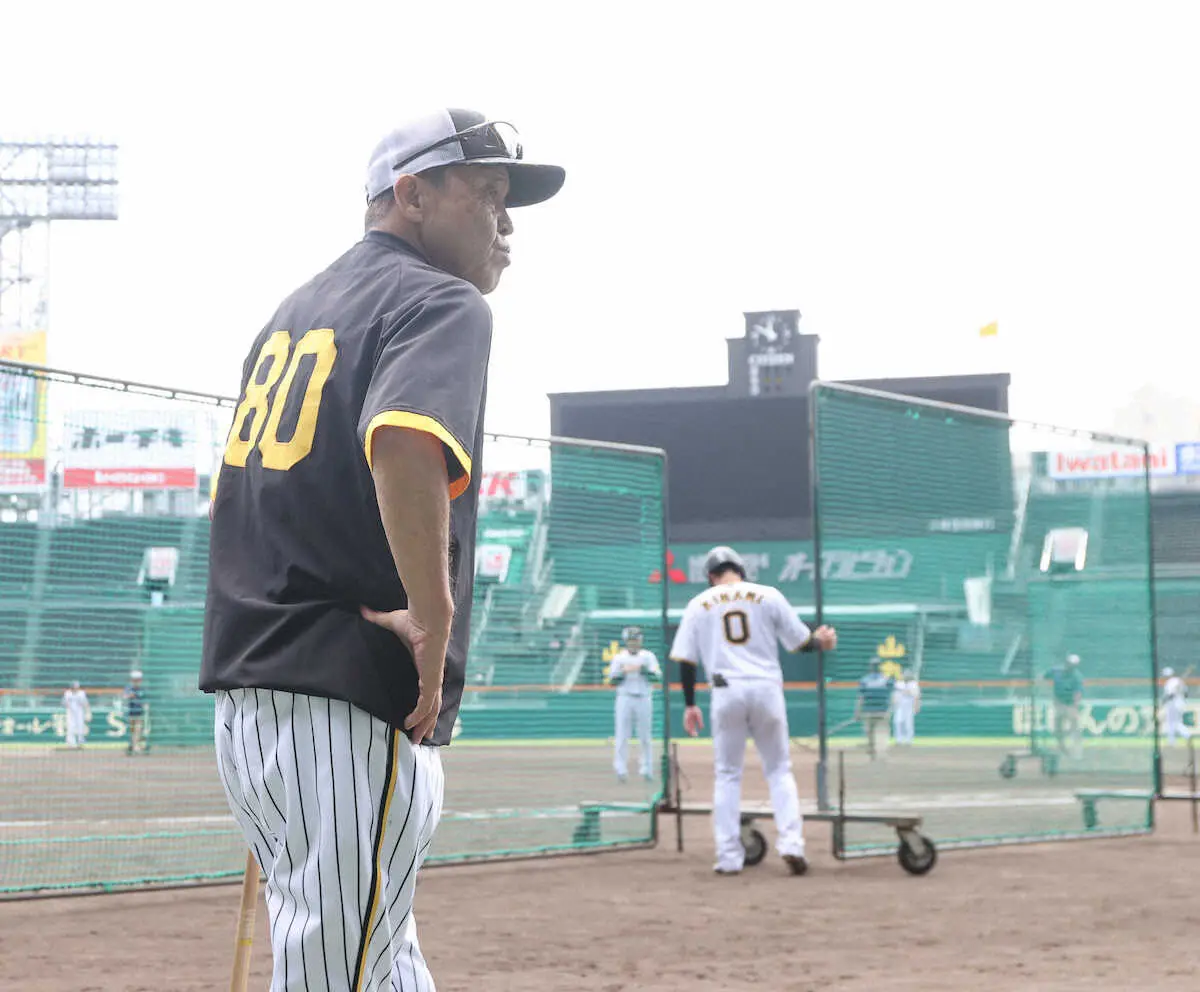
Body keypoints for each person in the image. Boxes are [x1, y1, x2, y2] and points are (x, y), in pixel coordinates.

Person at [199, 109, 564, 990]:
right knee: (338, 972)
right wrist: (434, 620)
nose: (506, 223)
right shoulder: (441, 300)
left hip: (259, 695)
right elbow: (404, 440)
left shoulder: (297, 310)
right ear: (412, 194)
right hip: (347, 696)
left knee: (380, 953)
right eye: (486, 195)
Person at [670, 546, 837, 876]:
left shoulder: (698, 604)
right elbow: (801, 643)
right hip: (766, 689)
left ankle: (729, 857)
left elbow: (685, 661)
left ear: (710, 576)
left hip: (725, 692)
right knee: (778, 770)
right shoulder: (767, 594)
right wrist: (822, 641)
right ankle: (791, 844)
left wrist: (690, 704)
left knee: (728, 775)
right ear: (741, 570)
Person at [605, 626, 661, 782]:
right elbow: (612, 681)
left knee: (645, 735)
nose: (634, 642)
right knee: (622, 734)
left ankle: (646, 769)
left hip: (644, 697)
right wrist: (624, 672)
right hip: (625, 697)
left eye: (636, 639)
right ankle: (621, 769)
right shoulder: (619, 657)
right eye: (631, 640)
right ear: (626, 641)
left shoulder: (648, 656)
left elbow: (657, 678)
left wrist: (643, 670)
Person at [1045, 653, 1084, 759]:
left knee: (1074, 727)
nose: (1070, 666)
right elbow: (1044, 677)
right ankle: (1062, 749)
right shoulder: (1056, 671)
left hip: (1070, 704)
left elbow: (1078, 693)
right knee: (1058, 728)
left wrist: (1075, 707)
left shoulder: (1077, 676)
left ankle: (1077, 751)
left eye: (1073, 665)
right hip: (1058, 702)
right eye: (1069, 664)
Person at [855, 658, 894, 760]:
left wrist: (857, 712)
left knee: (869, 732)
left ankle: (872, 752)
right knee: (882, 733)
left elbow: (860, 698)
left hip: (868, 710)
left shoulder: (864, 680)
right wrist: (890, 709)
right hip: (882, 710)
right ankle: (882, 754)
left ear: (870, 667)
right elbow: (892, 696)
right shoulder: (887, 680)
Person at [1161, 667, 1191, 746]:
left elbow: (1170, 695)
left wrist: (1164, 701)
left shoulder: (1170, 682)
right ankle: (1175, 739)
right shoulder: (1179, 681)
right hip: (1180, 703)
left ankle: (1185, 735)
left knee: (1172, 722)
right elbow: (1186, 693)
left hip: (1173, 704)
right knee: (1175, 722)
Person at [891, 667, 920, 746]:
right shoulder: (898, 683)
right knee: (897, 722)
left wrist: (916, 706)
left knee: (908, 724)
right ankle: (899, 740)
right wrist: (893, 703)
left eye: (908, 674)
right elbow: (894, 695)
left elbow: (916, 696)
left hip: (909, 707)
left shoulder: (914, 684)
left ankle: (908, 740)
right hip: (899, 706)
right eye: (905, 674)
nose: (906, 676)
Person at [123, 670, 147, 755]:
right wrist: (130, 695)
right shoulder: (129, 688)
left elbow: (145, 699)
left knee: (138, 729)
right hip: (131, 712)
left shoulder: (142, 689)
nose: (137, 682)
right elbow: (125, 696)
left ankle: (135, 746)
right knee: (133, 730)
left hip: (140, 712)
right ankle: (133, 745)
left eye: (138, 680)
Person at [62, 681, 91, 749]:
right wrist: (66, 704)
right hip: (70, 712)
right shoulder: (67, 693)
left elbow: (85, 702)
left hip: (79, 712)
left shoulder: (81, 693)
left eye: (76, 686)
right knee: (70, 727)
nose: (75, 688)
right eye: (74, 686)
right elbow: (63, 702)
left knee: (80, 727)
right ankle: (71, 743)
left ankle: (80, 742)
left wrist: (88, 711)